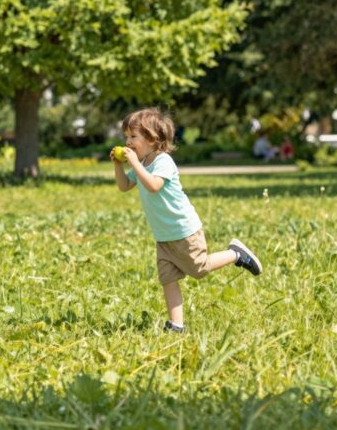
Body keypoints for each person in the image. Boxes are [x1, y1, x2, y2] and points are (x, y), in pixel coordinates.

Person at [111, 108, 262, 333]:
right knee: (168, 279)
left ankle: (235, 254)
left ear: (153, 139)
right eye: (126, 137)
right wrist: (118, 165)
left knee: (199, 269)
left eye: (133, 136)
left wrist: (134, 163)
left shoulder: (163, 161)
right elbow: (124, 186)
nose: (128, 142)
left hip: (184, 230)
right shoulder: (142, 163)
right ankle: (176, 325)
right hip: (163, 236)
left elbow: (153, 186)